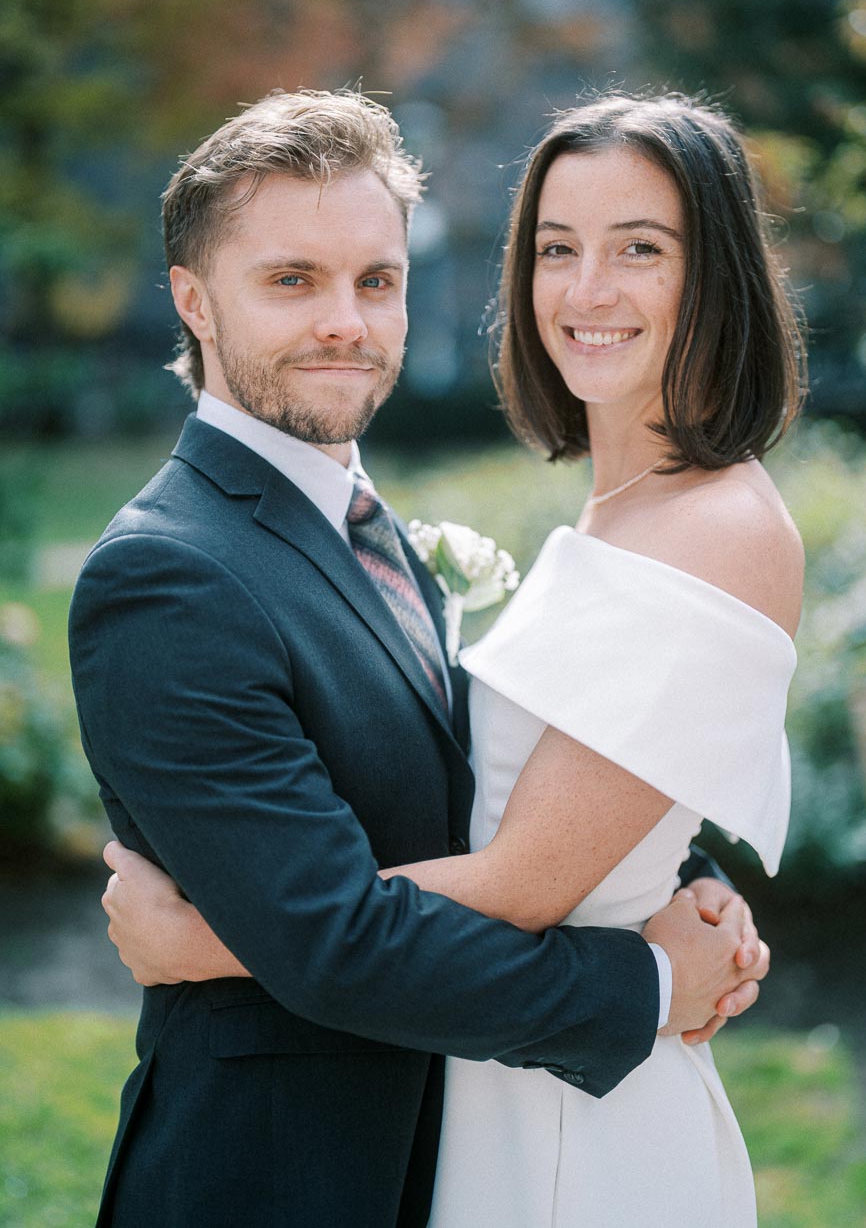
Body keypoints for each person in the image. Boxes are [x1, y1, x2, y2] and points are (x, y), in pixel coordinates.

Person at [73, 88, 769, 1228]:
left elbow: (484, 802)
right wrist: (646, 986)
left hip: (451, 1151)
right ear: (195, 301)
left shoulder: (358, 520)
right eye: (292, 280)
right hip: (283, 1180)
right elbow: (335, 942)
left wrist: (675, 882)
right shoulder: (169, 578)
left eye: (376, 281)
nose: (346, 320)